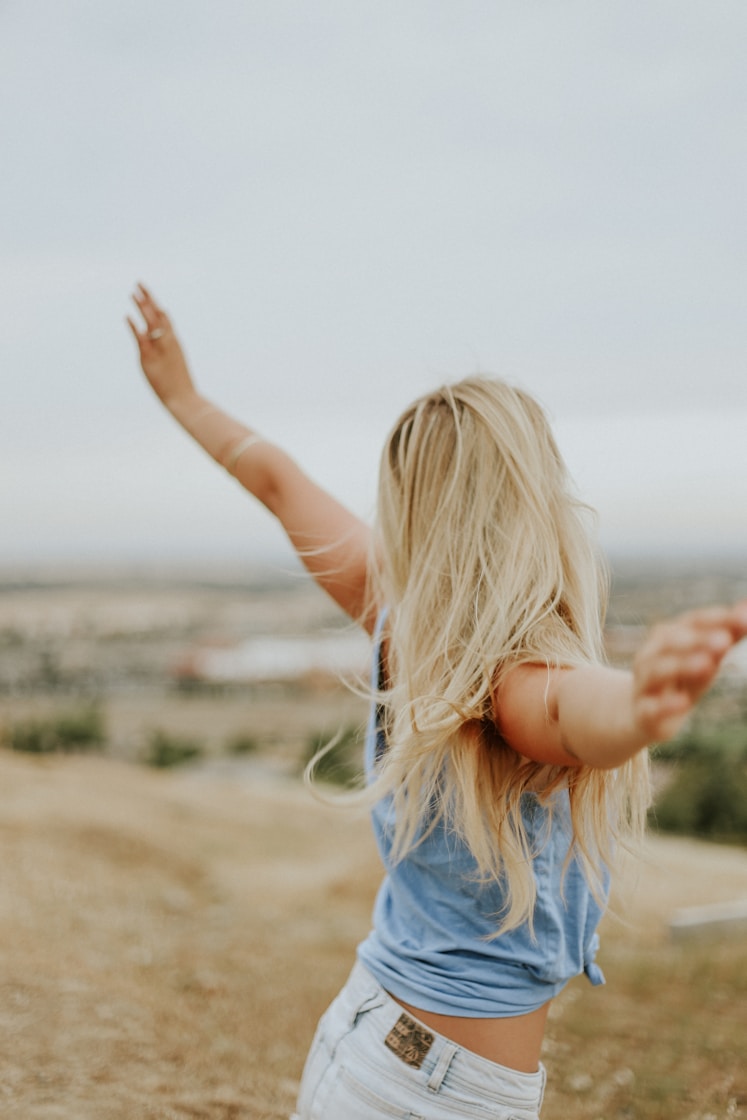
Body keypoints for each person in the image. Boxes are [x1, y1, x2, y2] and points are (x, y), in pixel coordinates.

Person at [127, 283, 747, 1120]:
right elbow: (569, 714)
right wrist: (640, 705)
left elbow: (277, 482)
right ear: (535, 506)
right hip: (429, 1093)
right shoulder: (505, 682)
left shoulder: (400, 622)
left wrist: (183, 396)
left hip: (369, 1039)